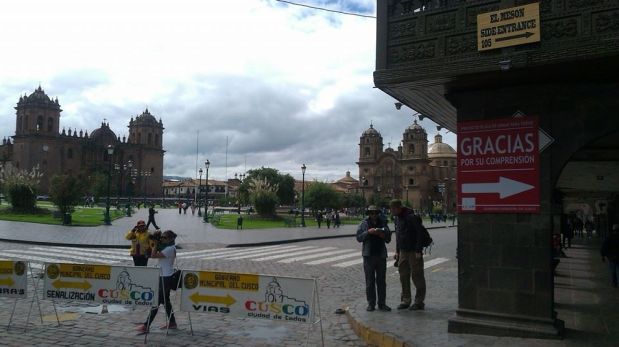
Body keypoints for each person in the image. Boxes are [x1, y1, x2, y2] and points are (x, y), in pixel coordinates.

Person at [136, 230, 178, 333]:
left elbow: (153, 255)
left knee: (157, 301)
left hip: (166, 277)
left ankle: (146, 325)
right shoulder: (169, 247)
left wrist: (155, 244)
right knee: (165, 301)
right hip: (164, 275)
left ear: (171, 239)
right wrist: (157, 243)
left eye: (164, 238)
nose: (162, 239)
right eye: (162, 237)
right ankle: (172, 323)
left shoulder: (169, 249)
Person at [390, 199, 427, 311]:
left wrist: (418, 250)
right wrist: (397, 251)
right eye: (391, 209)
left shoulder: (412, 217)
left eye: (393, 209)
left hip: (413, 251)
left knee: (417, 276)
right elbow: (398, 235)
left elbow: (420, 233)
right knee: (403, 276)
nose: (391, 211)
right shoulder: (397, 218)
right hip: (403, 251)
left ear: (399, 208)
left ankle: (419, 301)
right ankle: (406, 300)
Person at [356, 205, 391, 312]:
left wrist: (383, 235)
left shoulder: (383, 223)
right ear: (369, 214)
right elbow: (359, 238)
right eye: (372, 213)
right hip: (368, 256)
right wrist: (368, 232)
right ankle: (371, 303)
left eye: (376, 213)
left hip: (381, 255)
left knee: (381, 281)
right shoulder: (364, 223)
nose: (374, 215)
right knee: (369, 281)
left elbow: (389, 238)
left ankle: (382, 303)